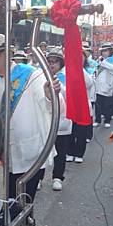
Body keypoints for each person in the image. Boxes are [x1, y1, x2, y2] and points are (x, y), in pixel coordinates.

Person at [0, 34, 62, 201]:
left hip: (31, 153)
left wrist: (49, 95)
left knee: (23, 202)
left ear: (4, 54)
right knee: (12, 200)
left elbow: (54, 107)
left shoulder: (32, 75)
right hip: (11, 154)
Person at [45, 47, 71, 191]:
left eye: (55, 62)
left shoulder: (66, 76)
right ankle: (39, 178)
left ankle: (57, 177)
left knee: (60, 151)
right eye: (49, 61)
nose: (52, 64)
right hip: (45, 120)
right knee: (42, 152)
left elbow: (69, 96)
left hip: (62, 120)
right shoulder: (42, 76)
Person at [68, 46, 96, 161]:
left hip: (83, 105)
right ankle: (70, 152)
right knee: (70, 130)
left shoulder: (88, 70)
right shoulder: (67, 70)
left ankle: (79, 154)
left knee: (81, 131)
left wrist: (79, 69)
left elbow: (89, 84)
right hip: (70, 105)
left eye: (82, 57)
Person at [94, 42, 113, 128]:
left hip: (108, 85)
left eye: (106, 51)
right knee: (98, 104)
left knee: (108, 104)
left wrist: (103, 63)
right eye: (103, 51)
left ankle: (107, 120)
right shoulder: (100, 59)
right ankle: (97, 120)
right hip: (99, 85)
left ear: (110, 52)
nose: (104, 53)